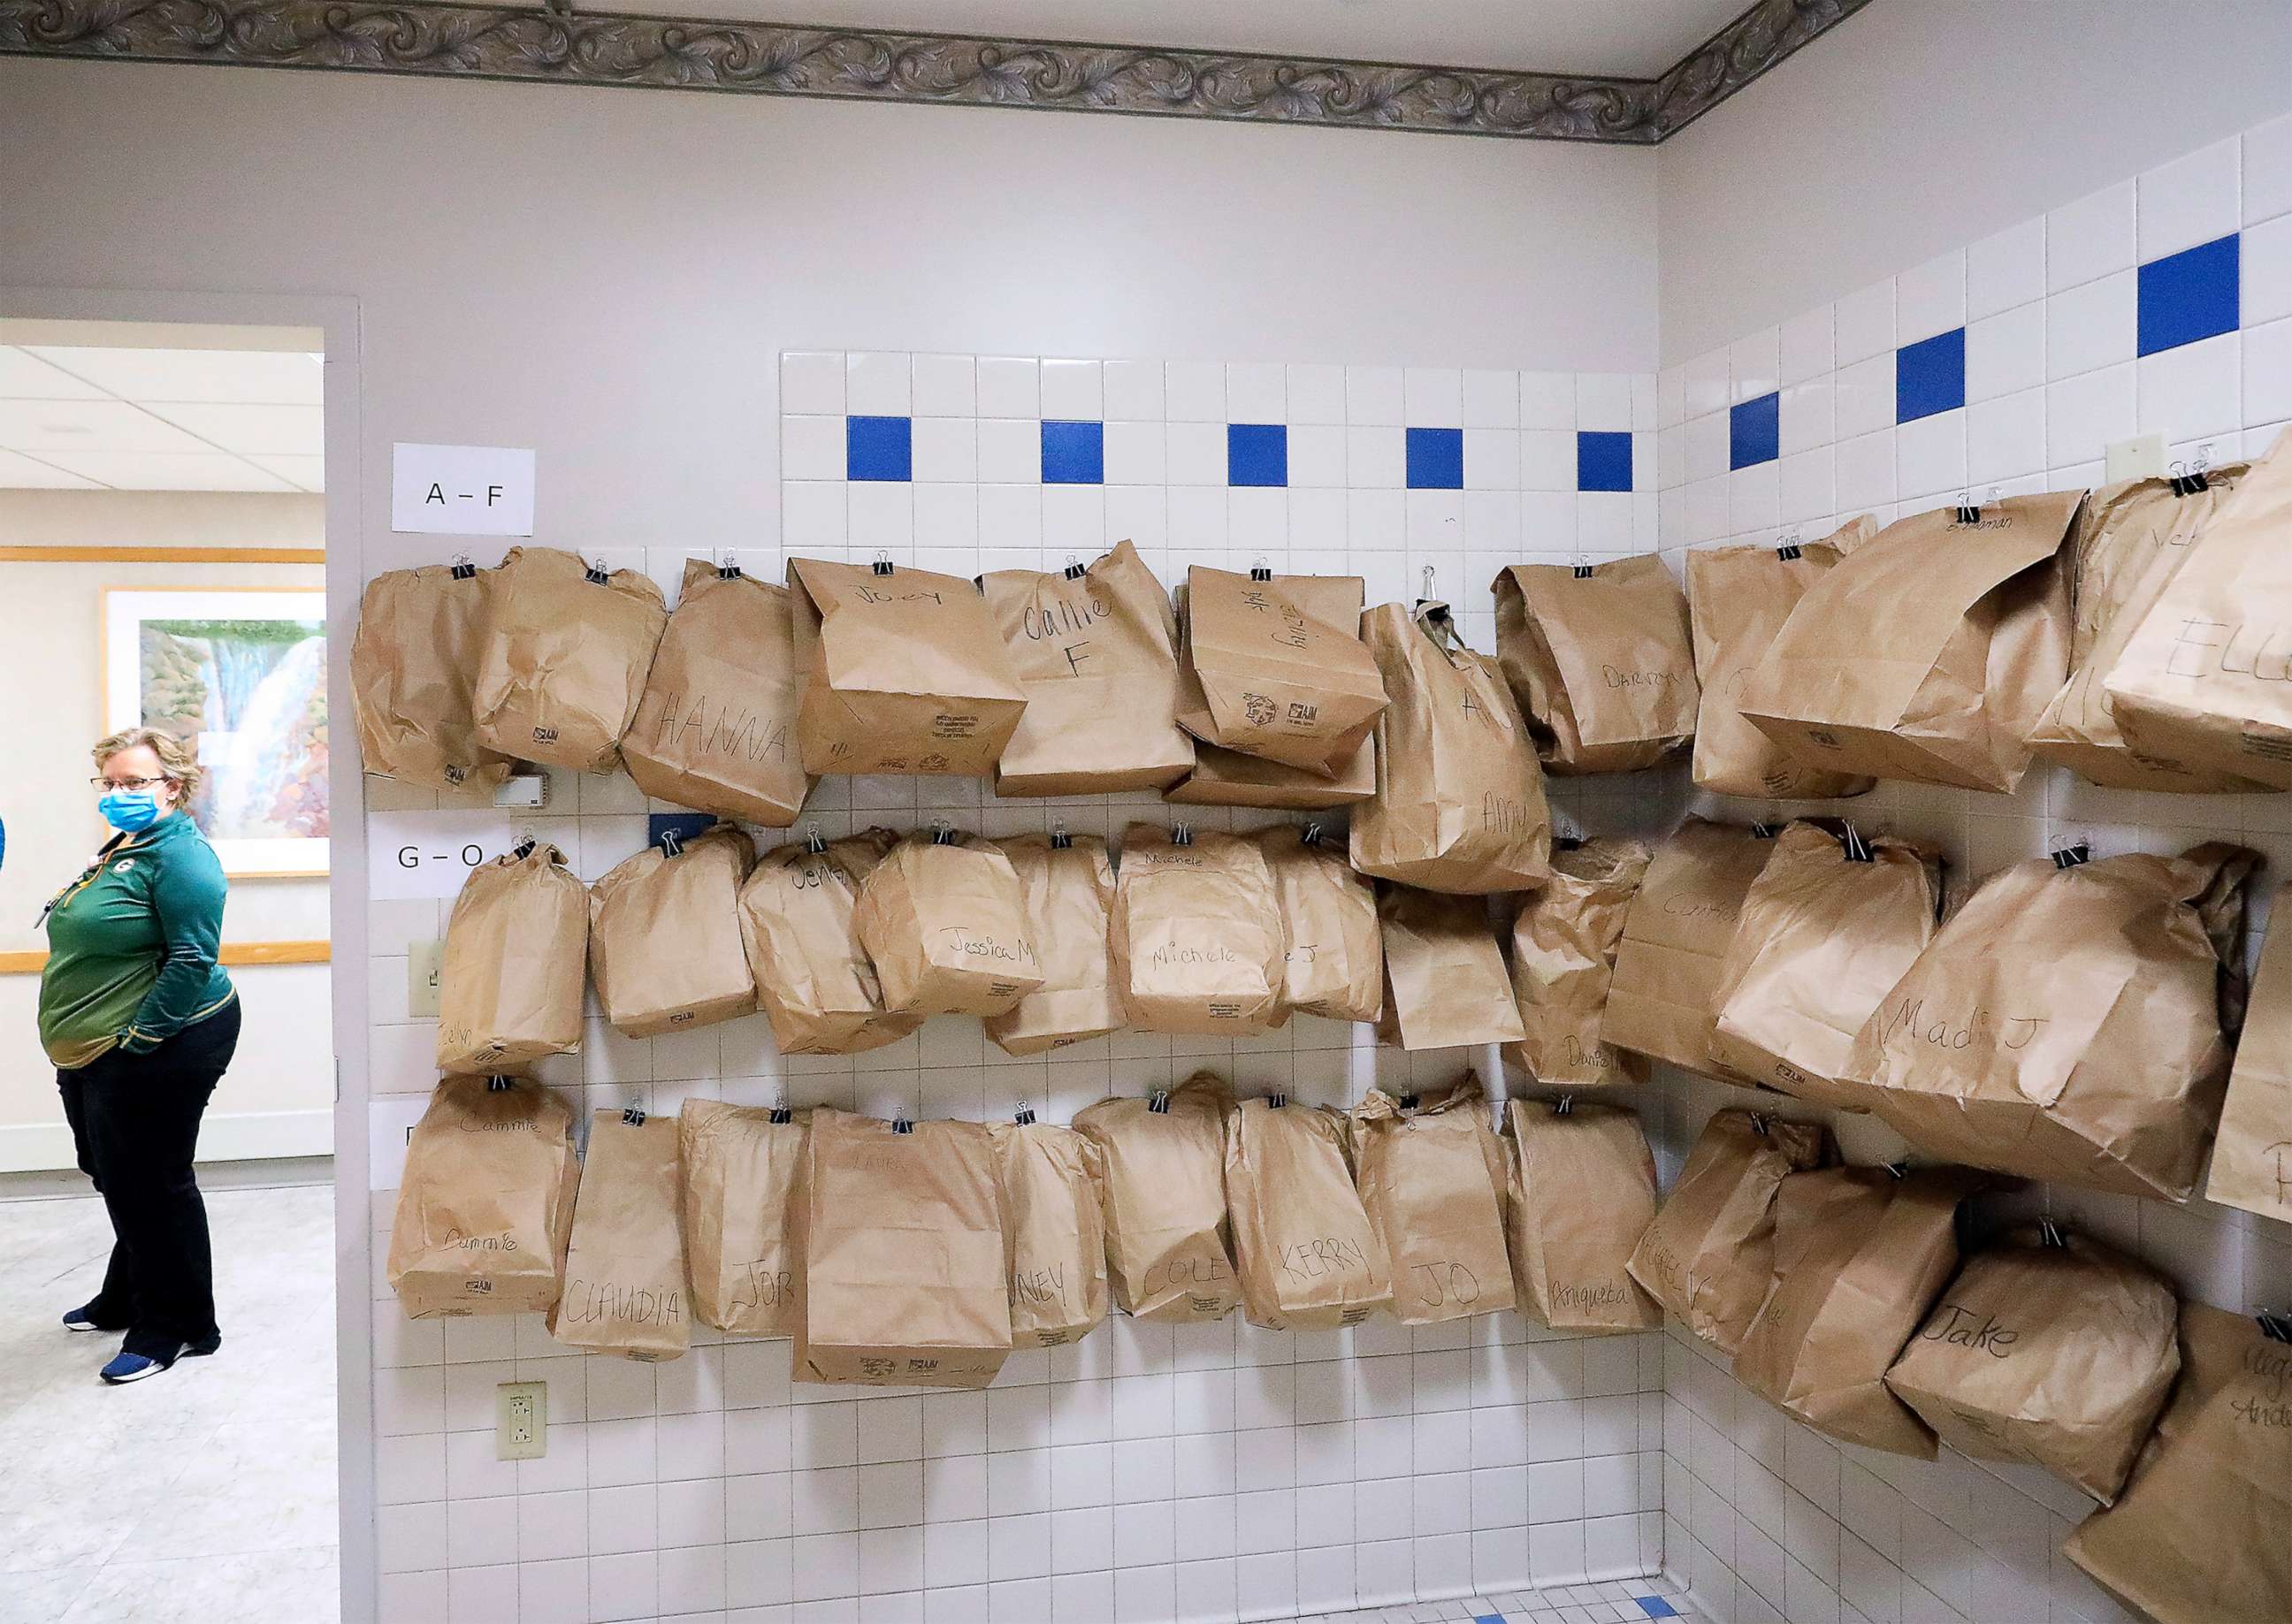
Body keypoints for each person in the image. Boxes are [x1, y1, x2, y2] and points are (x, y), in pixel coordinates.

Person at [38, 727, 240, 1384]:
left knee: (153, 1180)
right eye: (110, 782)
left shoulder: (183, 857)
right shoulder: (132, 842)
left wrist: (140, 1043)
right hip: (100, 1045)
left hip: (167, 1039)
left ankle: (177, 1326)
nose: (118, 793)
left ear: (173, 787)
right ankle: (127, 1294)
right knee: (110, 1167)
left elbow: (190, 959)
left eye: (134, 782)